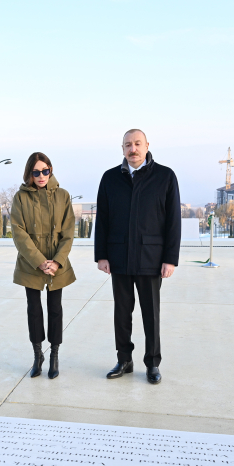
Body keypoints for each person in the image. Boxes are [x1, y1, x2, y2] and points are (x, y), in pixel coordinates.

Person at [94, 129, 180, 384]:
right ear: (122, 149)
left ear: (147, 146)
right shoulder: (110, 178)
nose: (133, 149)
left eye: (137, 144)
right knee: (122, 313)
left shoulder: (165, 176)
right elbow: (103, 220)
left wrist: (170, 259)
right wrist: (101, 255)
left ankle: (152, 363)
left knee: (150, 314)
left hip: (151, 258)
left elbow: (173, 221)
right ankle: (124, 360)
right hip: (118, 257)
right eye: (128, 145)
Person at [11, 152, 76, 379]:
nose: (41, 176)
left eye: (45, 171)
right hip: (31, 264)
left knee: (55, 309)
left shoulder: (63, 195)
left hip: (57, 263)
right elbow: (18, 233)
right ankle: (37, 355)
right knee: (34, 309)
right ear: (29, 173)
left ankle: (54, 356)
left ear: (51, 170)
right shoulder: (20, 198)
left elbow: (68, 233)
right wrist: (39, 261)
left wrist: (57, 261)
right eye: (36, 172)